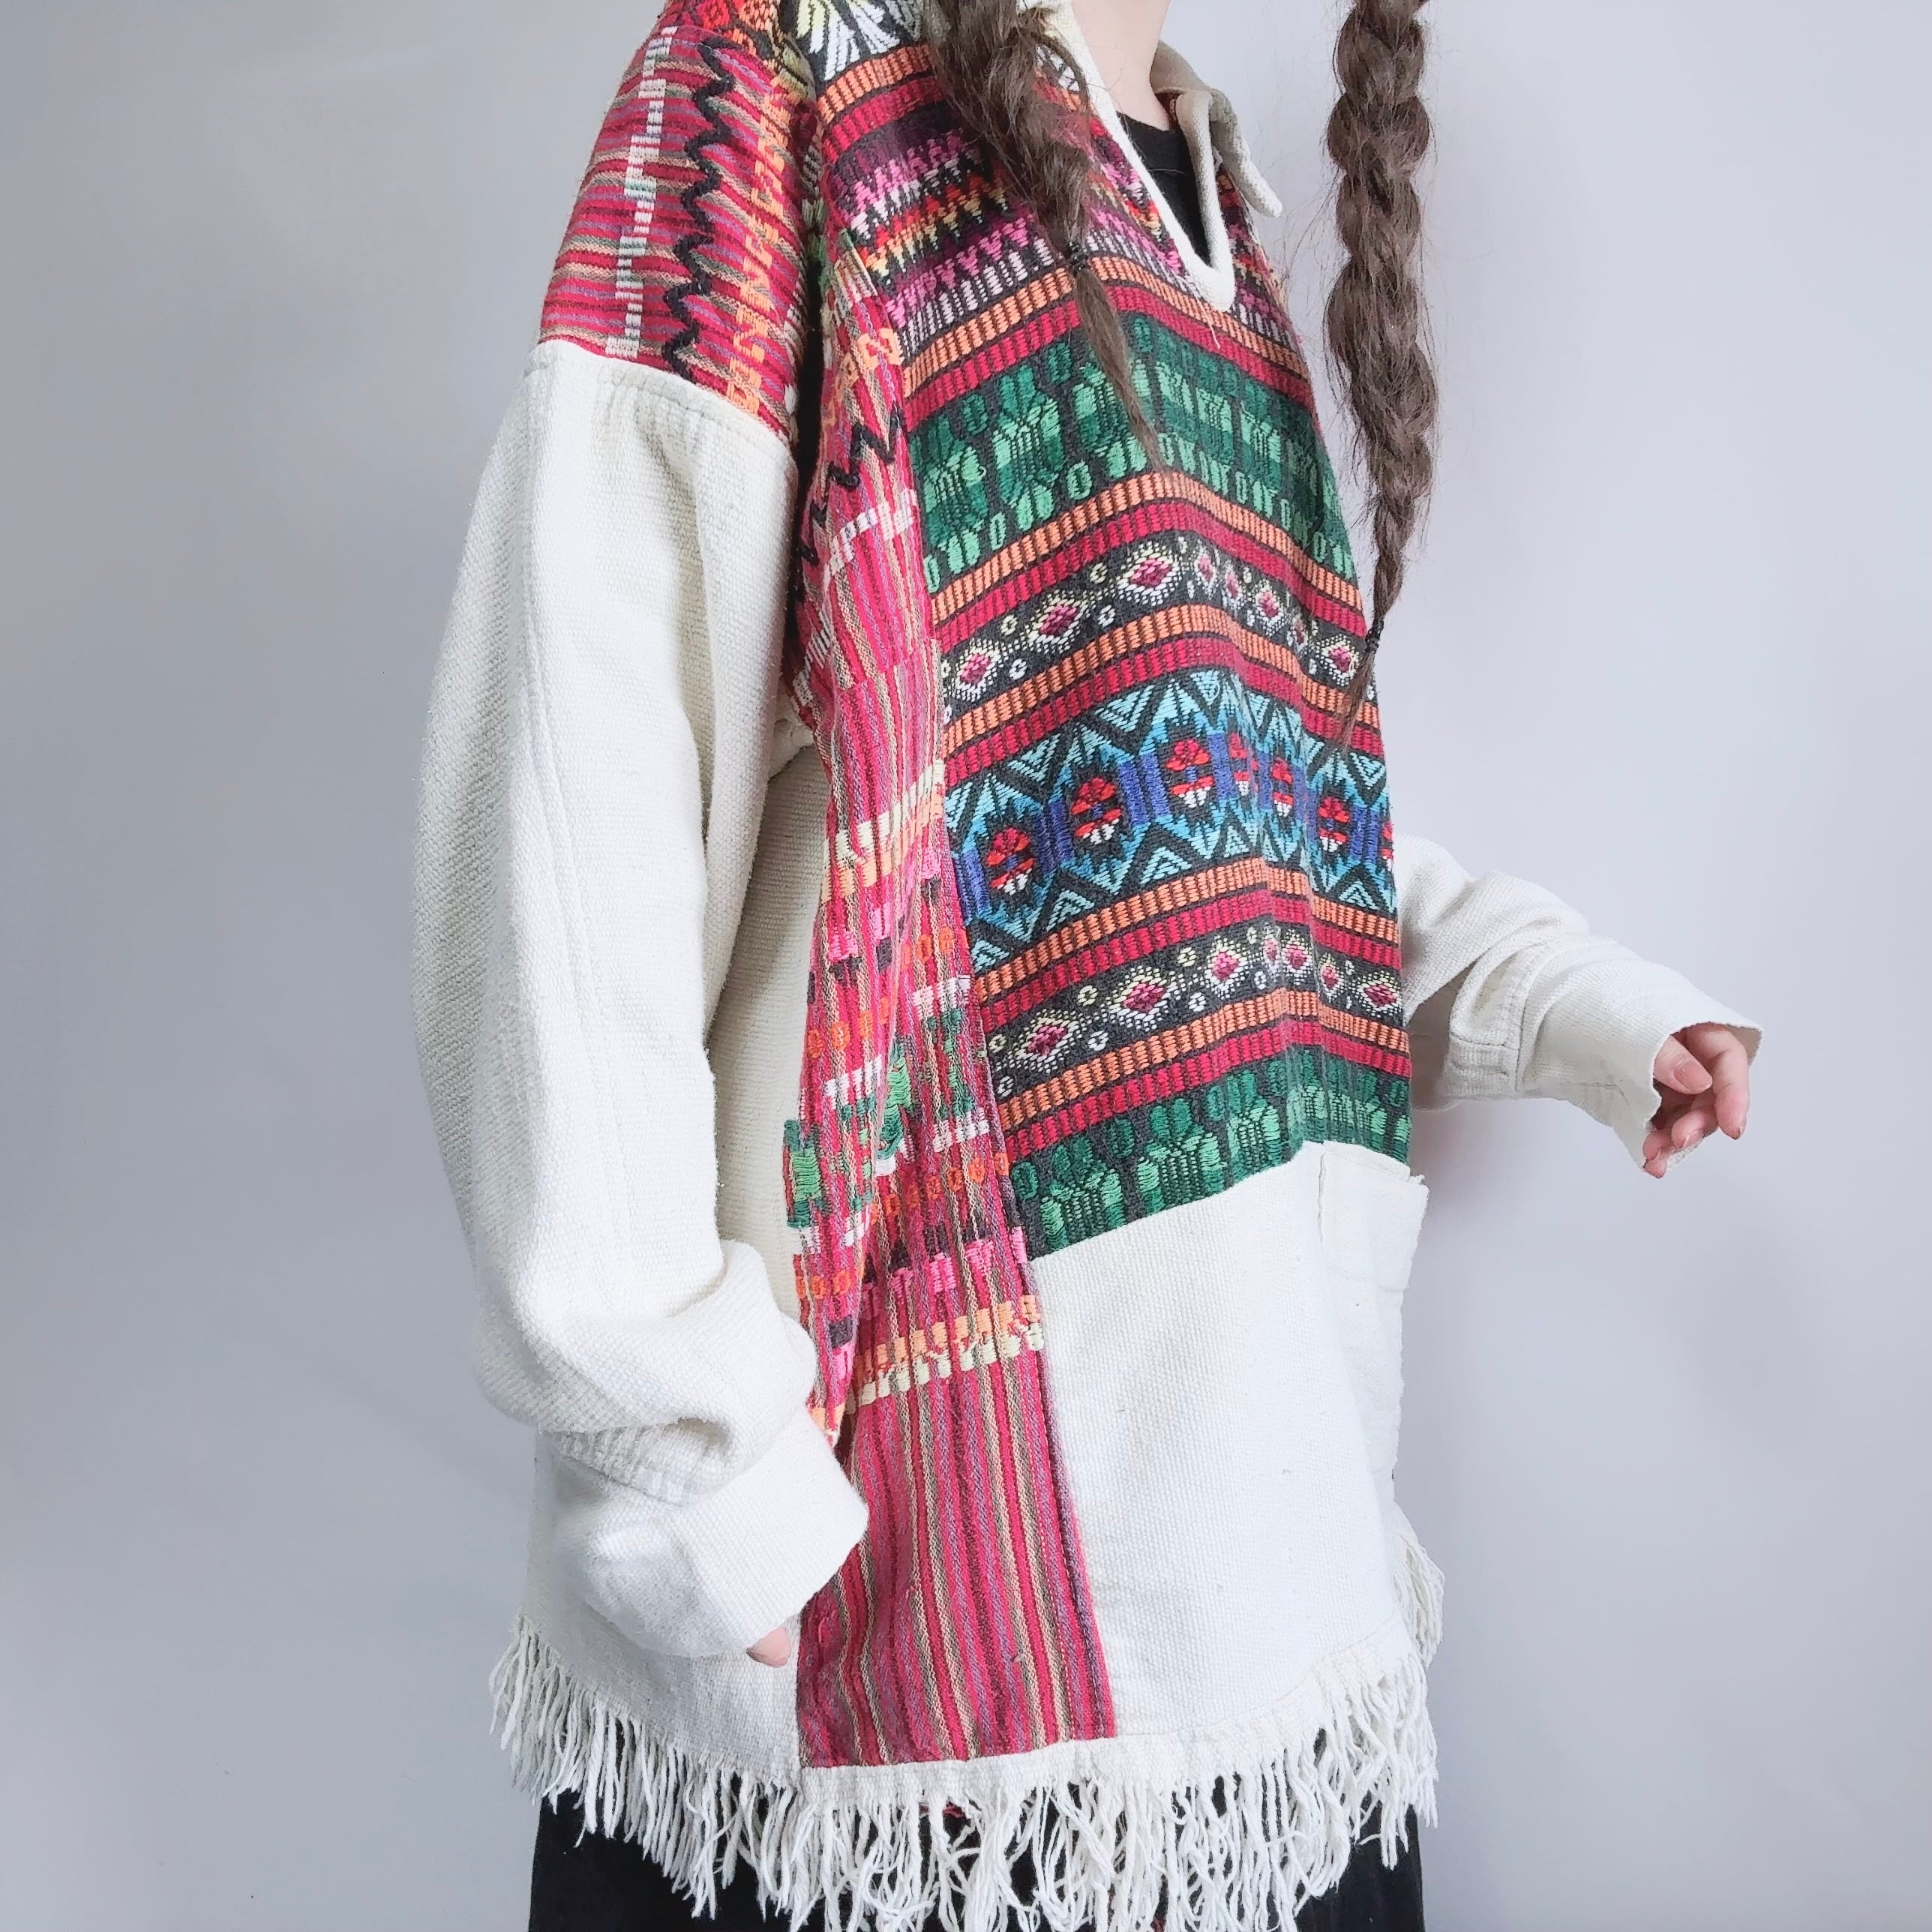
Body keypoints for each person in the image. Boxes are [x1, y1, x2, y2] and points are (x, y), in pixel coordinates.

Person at [410, 0, 1759, 1926]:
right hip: (901, 1690)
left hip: (1267, 1619)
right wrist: (695, 1470)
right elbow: (566, 821)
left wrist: (1569, 1001)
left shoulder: (1211, 197)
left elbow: (1249, 836)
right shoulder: (779, 85)